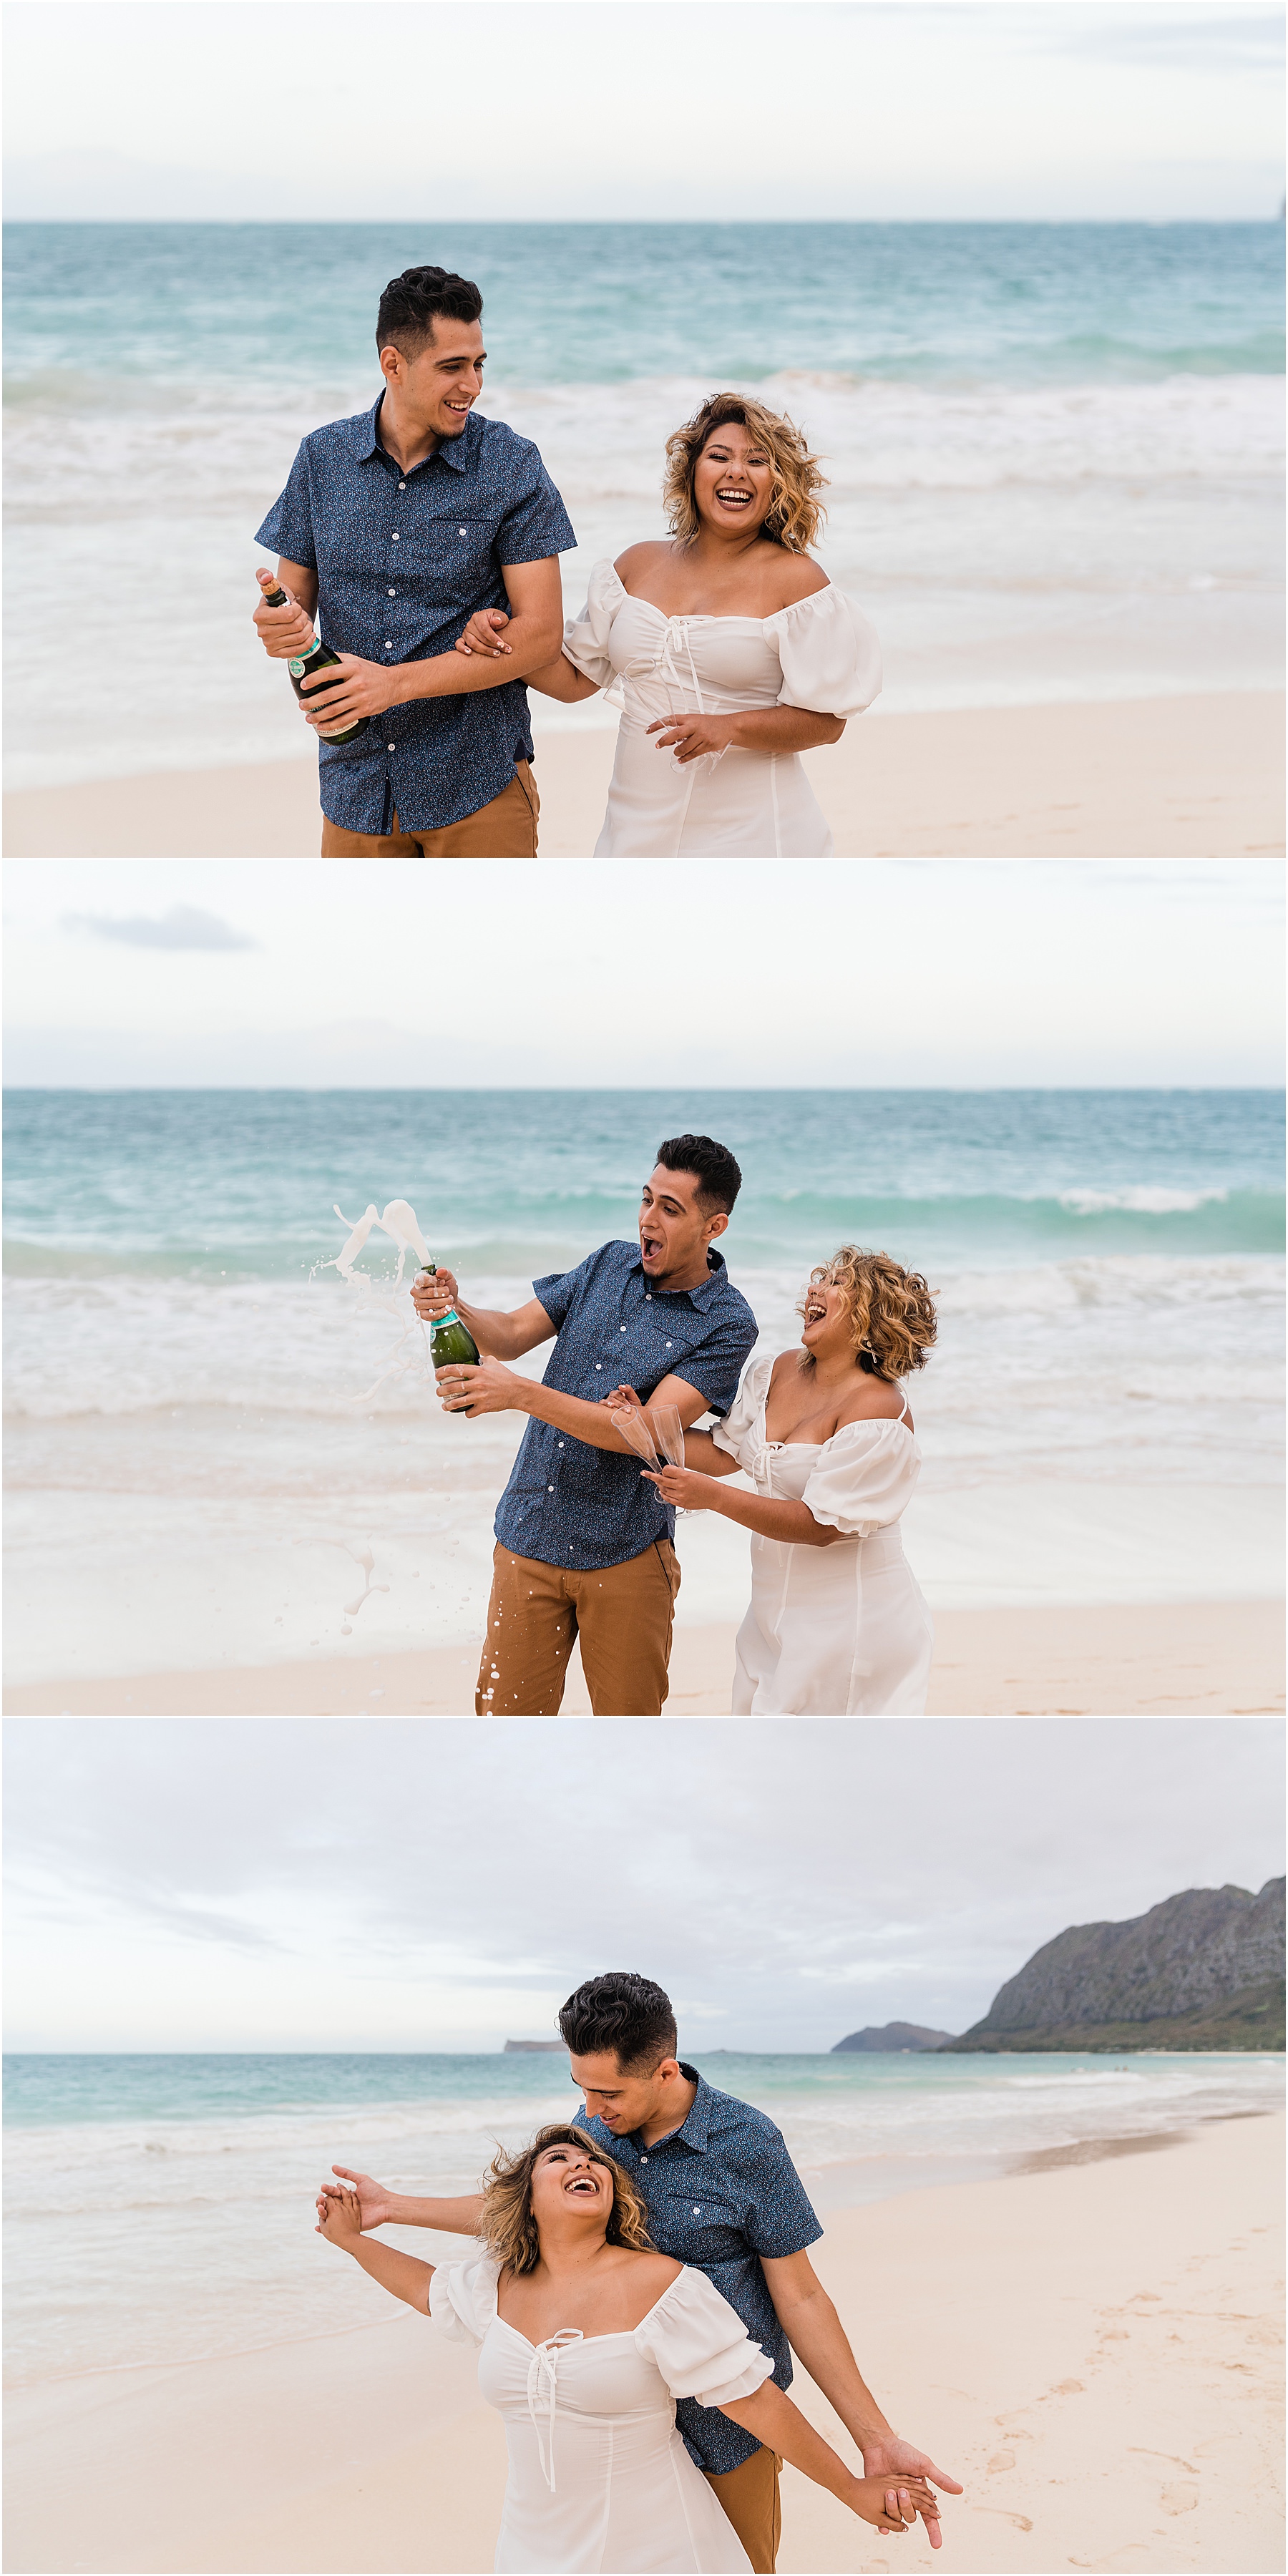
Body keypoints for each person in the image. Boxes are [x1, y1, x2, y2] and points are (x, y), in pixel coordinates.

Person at [319, 1971, 960, 2575]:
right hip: (597, 2426)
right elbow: (529, 2215)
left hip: (727, 2428)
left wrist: (872, 2439)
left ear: (665, 2069)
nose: (590, 2111)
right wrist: (394, 2209)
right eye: (581, 2088)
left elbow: (803, 2297)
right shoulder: (593, 2132)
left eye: (608, 2093)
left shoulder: (748, 2145)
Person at [409, 1136, 756, 1717]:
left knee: (627, 1745)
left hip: (627, 1553)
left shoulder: (727, 1323)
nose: (649, 1219)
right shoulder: (606, 1262)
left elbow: (645, 1431)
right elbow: (514, 1334)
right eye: (647, 1200)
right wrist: (456, 1307)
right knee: (504, 1735)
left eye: (670, 1210)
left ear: (713, 1226)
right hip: (529, 1534)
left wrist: (521, 1394)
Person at [452, 391, 882, 856]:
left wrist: (728, 728)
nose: (736, 471)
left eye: (756, 461)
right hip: (636, 830)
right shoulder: (638, 564)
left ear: (778, 483)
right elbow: (575, 679)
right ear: (692, 470)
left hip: (754, 834)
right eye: (719, 456)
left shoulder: (797, 582)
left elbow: (825, 723)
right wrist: (498, 641)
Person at [251, 263, 577, 857]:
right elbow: (291, 607)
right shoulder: (321, 458)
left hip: (476, 786)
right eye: (452, 367)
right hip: (355, 792)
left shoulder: (511, 464)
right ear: (393, 365)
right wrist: (279, 627)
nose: (472, 385)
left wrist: (393, 685)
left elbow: (542, 635)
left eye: (479, 364)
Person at [629, 1249, 937, 1714]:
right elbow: (722, 1450)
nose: (814, 1289)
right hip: (771, 1616)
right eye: (820, 1279)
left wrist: (712, 1498)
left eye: (837, 1284)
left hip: (854, 1624)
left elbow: (820, 1526)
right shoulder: (777, 1371)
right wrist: (641, 1422)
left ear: (871, 1316)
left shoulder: (879, 1414)